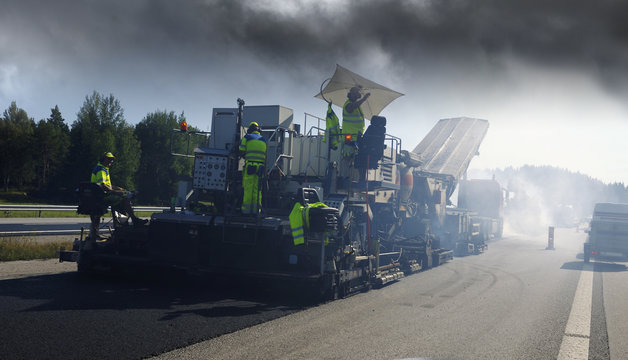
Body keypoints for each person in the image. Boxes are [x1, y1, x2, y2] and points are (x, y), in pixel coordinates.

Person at [89, 152, 147, 238]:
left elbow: (108, 185)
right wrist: (115, 192)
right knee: (125, 198)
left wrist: (119, 188)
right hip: (102, 196)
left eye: (112, 160)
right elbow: (103, 186)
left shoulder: (102, 168)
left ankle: (120, 225)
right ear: (103, 159)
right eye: (109, 159)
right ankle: (134, 220)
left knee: (121, 196)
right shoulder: (101, 170)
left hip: (99, 195)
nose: (111, 161)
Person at [239, 122, 267, 215]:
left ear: (250, 130)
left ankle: (246, 211)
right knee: (257, 190)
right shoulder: (264, 140)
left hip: (250, 166)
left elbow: (241, 151)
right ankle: (256, 210)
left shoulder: (247, 138)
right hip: (260, 168)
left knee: (248, 189)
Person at [342, 86, 371, 151]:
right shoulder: (348, 104)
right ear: (350, 95)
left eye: (357, 94)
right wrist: (363, 99)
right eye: (354, 93)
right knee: (348, 154)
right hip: (349, 137)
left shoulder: (357, 106)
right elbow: (351, 108)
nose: (356, 95)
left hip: (357, 136)